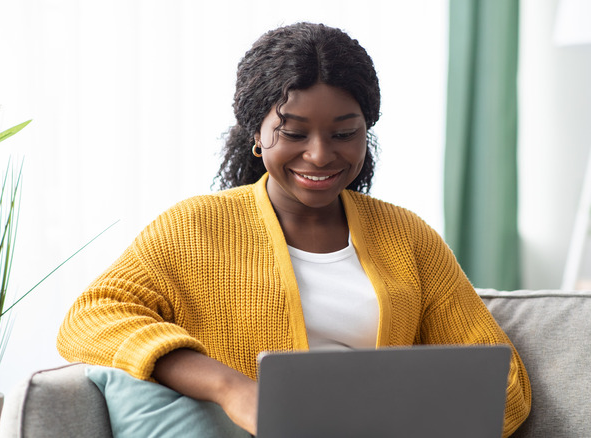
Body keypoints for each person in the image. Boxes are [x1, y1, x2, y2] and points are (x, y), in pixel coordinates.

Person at [57, 22, 531, 437]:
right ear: (256, 135)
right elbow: (90, 318)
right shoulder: (194, 227)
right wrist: (232, 389)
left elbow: (504, 384)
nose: (321, 155)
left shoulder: (407, 236)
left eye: (345, 133)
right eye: (294, 132)